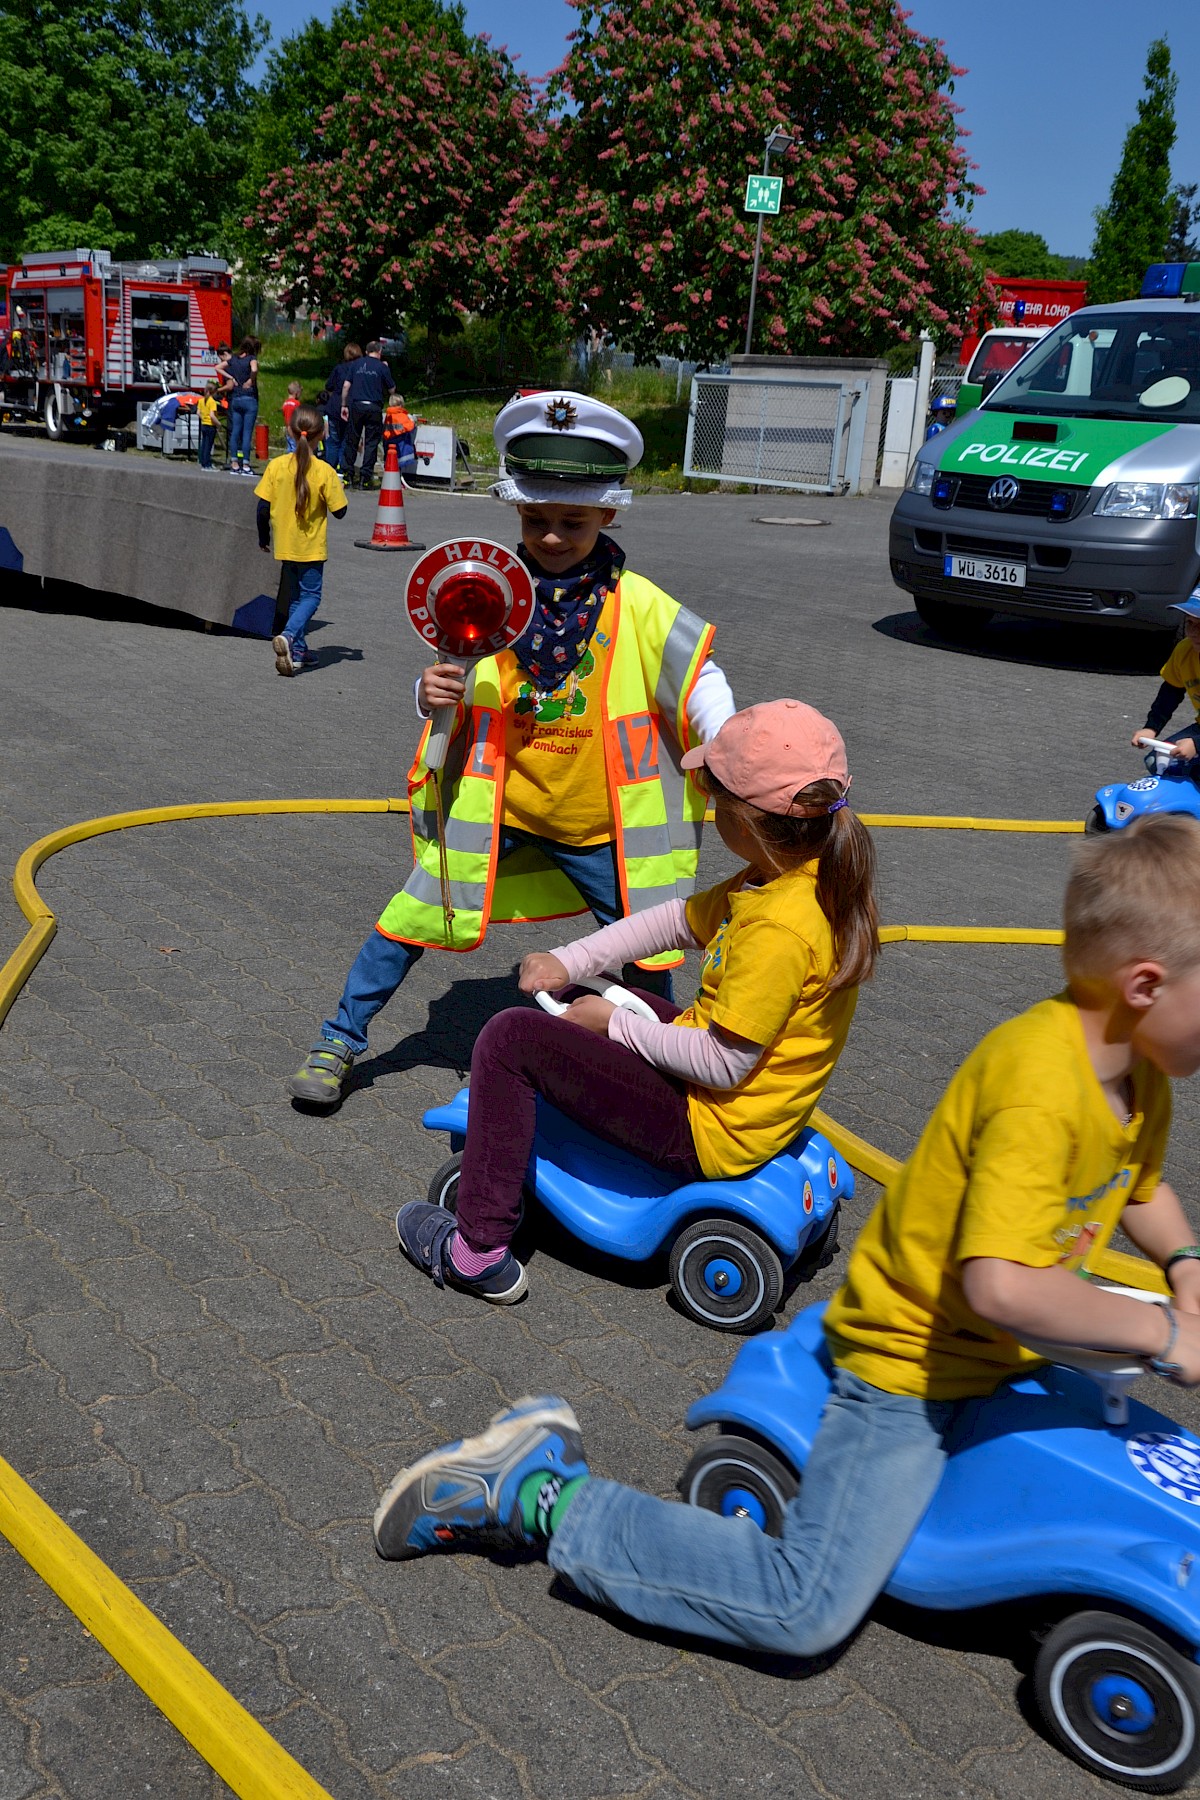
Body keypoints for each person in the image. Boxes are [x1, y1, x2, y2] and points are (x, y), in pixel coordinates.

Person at [373, 812, 1200, 1664]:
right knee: (803, 1606)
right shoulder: (1042, 1087)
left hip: (996, 1350)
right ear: (1144, 984)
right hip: (912, 1369)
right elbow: (1003, 1286)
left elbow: (1138, 1184)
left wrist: (1185, 1264)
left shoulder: (1133, 1069)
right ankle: (536, 1496)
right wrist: (1163, 1332)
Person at [288, 391, 735, 1107]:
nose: (552, 536)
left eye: (573, 522)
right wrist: (429, 692)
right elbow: (452, 679)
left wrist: (725, 741)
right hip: (502, 812)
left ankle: (660, 1073)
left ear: (609, 513)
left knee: (646, 955)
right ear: (514, 512)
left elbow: (701, 676)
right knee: (408, 920)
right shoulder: (484, 593)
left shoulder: (641, 604)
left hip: (602, 831)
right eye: (536, 519)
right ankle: (339, 1039)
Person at [394, 700, 878, 1304]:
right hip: (739, 1100)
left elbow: (724, 1064)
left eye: (711, 794)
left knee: (510, 1038)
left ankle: (477, 1253)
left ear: (746, 818)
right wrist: (572, 961)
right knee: (583, 997)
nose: (703, 804)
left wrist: (615, 1024)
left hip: (709, 1125)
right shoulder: (787, 877)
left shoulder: (779, 931)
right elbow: (675, 921)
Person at [254, 403, 347, 677]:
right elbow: (340, 512)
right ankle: (290, 635)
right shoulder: (324, 471)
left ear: (290, 432)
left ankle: (298, 652)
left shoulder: (276, 466)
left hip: (284, 544)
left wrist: (263, 537)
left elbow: (261, 508)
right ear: (321, 435)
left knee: (295, 598)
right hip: (311, 548)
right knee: (311, 598)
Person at [1132, 591, 1200, 769]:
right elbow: (1171, 691)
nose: (1193, 632)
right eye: (1190, 623)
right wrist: (1152, 727)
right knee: (1158, 762)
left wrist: (1197, 744)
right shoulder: (1184, 650)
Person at [339, 340, 394, 488]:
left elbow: (346, 386)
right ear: (380, 352)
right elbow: (392, 390)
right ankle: (365, 477)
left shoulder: (356, 364)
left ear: (366, 351)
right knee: (371, 442)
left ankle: (348, 475)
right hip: (374, 406)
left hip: (356, 405)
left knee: (352, 440)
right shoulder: (382, 367)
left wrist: (344, 405)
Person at [222, 335, 260, 476]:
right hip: (249, 398)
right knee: (246, 433)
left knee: (235, 431)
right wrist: (251, 380)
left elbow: (218, 367)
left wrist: (231, 378)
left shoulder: (235, 359)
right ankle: (245, 464)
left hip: (236, 398)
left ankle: (234, 463)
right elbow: (254, 369)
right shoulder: (251, 359)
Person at [320, 341, 360, 475]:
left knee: (332, 441)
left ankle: (330, 469)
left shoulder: (339, 368)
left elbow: (329, 386)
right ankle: (342, 469)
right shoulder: (360, 370)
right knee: (346, 440)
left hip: (334, 406)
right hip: (352, 407)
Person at [196, 381, 219, 471]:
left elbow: (198, 412)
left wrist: (203, 418)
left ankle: (202, 461)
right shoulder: (212, 402)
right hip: (210, 425)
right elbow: (212, 415)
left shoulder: (201, 400)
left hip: (204, 424)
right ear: (213, 392)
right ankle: (207, 464)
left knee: (204, 444)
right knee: (208, 445)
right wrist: (218, 424)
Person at [282, 380, 302, 450]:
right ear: (296, 393)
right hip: (294, 429)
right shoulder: (297, 403)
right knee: (295, 449)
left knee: (289, 447)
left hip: (288, 428)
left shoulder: (285, 404)